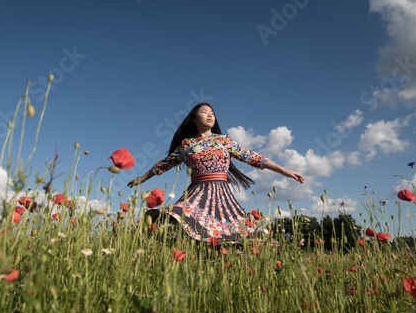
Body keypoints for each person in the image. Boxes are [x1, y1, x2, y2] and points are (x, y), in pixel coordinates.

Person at [127, 103, 304, 244]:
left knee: (229, 233)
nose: (210, 114)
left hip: (221, 195)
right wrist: (141, 179)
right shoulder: (187, 144)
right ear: (194, 119)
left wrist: (284, 170)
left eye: (212, 112)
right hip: (197, 193)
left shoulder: (224, 141)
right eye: (204, 112)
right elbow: (165, 163)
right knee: (178, 214)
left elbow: (251, 157)